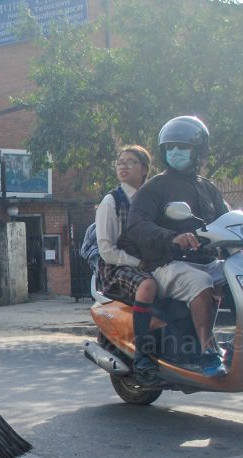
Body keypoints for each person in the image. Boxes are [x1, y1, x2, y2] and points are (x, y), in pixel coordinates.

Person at [119, 115, 230, 377]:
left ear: (198, 152)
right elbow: (136, 225)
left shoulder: (208, 188)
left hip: (207, 261)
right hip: (168, 264)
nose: (176, 152)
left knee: (241, 276)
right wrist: (171, 237)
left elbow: (227, 219)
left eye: (183, 147)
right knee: (200, 283)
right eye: (171, 148)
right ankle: (207, 352)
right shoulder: (154, 187)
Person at [95, 145, 157, 377]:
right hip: (117, 268)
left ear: (144, 169)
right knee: (148, 285)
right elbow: (107, 250)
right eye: (120, 162)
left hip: (151, 263)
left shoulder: (154, 200)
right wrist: (137, 263)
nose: (123, 166)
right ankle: (143, 354)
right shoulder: (112, 201)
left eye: (130, 162)